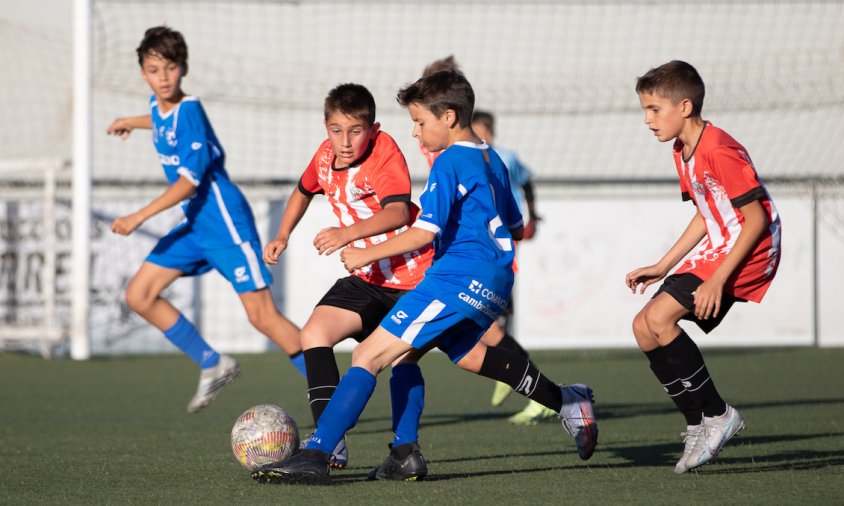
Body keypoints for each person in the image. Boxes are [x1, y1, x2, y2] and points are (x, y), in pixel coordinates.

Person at [252, 70, 598, 485]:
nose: (415, 132)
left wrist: (365, 250)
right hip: (495, 280)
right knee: (465, 356)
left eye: (420, 122)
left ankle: (318, 452)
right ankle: (565, 401)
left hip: (455, 276)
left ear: (448, 117)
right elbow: (516, 224)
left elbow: (422, 231)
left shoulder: (449, 161)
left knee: (367, 356)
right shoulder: (491, 158)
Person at [106, 26, 304, 414]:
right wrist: (128, 120)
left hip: (225, 224)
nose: (163, 78)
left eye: (170, 68)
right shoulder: (159, 107)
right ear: (143, 73)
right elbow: (157, 116)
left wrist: (138, 216)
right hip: (197, 227)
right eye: (153, 69)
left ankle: (330, 392)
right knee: (139, 294)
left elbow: (188, 183)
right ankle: (213, 362)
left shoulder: (191, 112)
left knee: (263, 317)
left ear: (183, 68)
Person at [262, 82, 434, 472]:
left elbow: (399, 213)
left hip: (414, 275)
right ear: (326, 126)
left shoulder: (383, 153)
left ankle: (406, 450)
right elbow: (303, 191)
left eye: (355, 131)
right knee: (313, 334)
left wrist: (347, 234)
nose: (345, 141)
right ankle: (331, 442)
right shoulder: (325, 157)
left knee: (409, 359)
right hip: (369, 277)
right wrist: (282, 235)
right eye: (336, 130)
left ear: (372, 130)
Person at [626, 60, 781, 473]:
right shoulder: (683, 150)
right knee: (643, 328)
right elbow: (704, 212)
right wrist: (662, 265)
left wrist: (717, 279)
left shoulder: (719, 148)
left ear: (686, 107)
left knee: (660, 318)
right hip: (722, 244)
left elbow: (757, 219)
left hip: (751, 249)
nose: (647, 120)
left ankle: (719, 415)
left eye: (654, 110)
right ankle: (697, 423)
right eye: (644, 110)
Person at [420, 56, 552, 426]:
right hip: (459, 249)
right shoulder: (444, 147)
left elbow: (518, 189)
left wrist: (527, 220)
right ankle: (540, 389)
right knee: (478, 333)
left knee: (490, 328)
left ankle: (539, 390)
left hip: (476, 250)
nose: (417, 125)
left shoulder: (482, 155)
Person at [471, 109, 550, 424]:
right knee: (488, 314)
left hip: (501, 238)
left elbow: (527, 182)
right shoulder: (463, 155)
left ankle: (535, 390)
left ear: (487, 132)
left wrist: (532, 217)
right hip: (480, 241)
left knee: (494, 304)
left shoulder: (503, 157)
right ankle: (520, 377)